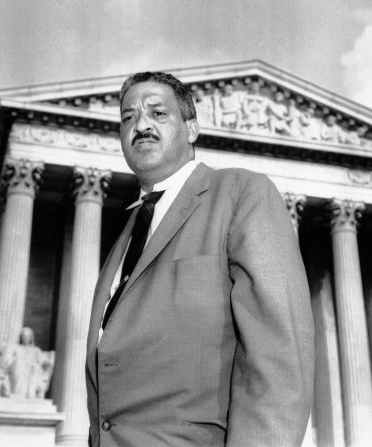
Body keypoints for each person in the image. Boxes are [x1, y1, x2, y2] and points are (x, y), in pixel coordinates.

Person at [85, 71, 314, 447]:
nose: (140, 125)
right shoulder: (127, 233)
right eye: (128, 117)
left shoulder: (241, 194)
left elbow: (280, 357)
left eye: (158, 113)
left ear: (191, 128)